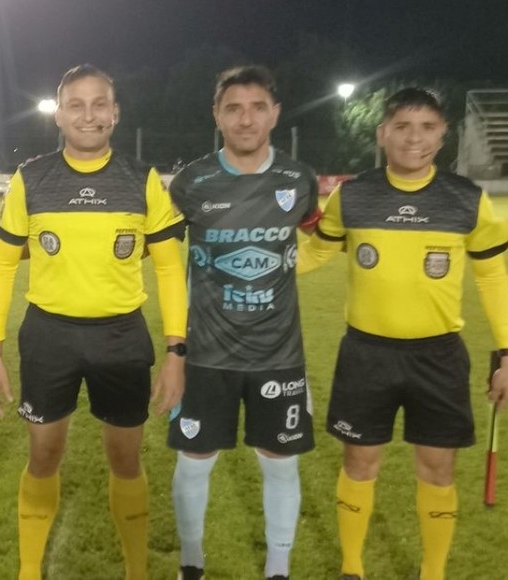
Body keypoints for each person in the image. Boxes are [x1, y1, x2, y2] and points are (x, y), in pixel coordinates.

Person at [0, 64, 188, 580]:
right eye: (76, 104)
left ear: (115, 113)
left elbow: (169, 270)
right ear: (58, 114)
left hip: (121, 336)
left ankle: (136, 571)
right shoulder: (31, 179)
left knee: (126, 460)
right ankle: (30, 571)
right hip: (48, 336)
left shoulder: (142, 180)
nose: (88, 115)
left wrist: (176, 354)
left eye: (100, 104)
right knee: (43, 455)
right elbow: (3, 266)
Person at [297, 87, 508, 580]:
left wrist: (506, 352)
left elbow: (493, 277)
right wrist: (258, 260)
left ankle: (432, 572)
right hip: (365, 353)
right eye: (403, 127)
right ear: (382, 134)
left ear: (444, 134)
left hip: (439, 357)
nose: (415, 138)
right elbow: (317, 253)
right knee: (359, 462)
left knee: (438, 468)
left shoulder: (467, 200)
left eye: (428, 127)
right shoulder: (352, 196)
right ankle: (352, 567)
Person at [166, 66, 321, 580]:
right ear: (217, 115)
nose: (246, 119)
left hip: (279, 354)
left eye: (257, 107)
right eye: (233, 108)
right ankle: (192, 561)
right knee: (194, 459)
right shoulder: (191, 183)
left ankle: (278, 568)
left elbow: (322, 240)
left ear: (275, 114)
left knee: (280, 461)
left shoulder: (298, 180)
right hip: (206, 354)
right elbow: (161, 256)